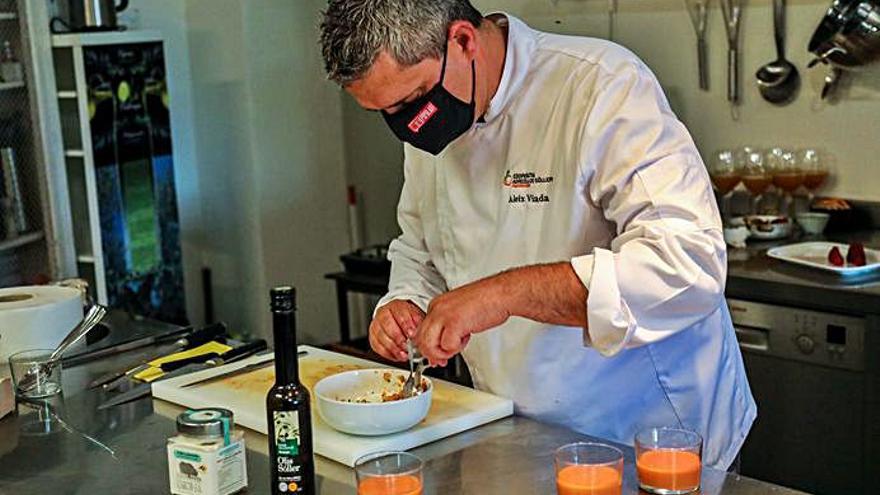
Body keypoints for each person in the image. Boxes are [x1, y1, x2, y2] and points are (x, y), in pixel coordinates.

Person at [319, 0, 755, 469]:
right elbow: (421, 247)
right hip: (517, 432)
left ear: (463, 40)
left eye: (411, 101)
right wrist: (404, 303)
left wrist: (501, 294)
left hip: (649, 432)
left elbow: (688, 263)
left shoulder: (600, 85)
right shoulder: (431, 125)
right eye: (383, 111)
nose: (406, 124)